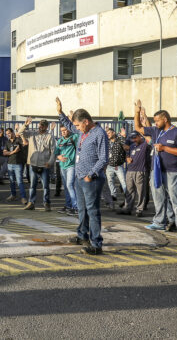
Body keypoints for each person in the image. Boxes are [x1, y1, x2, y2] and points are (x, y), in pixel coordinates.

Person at [55, 97, 109, 255]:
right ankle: (82, 235)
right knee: (82, 209)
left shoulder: (99, 133)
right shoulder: (82, 131)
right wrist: (60, 112)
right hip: (80, 176)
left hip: (91, 178)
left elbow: (104, 159)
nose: (76, 128)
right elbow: (69, 125)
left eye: (79, 125)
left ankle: (96, 243)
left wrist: (91, 174)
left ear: (86, 121)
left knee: (92, 210)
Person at [134, 101, 177, 240]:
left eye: (157, 120)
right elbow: (138, 127)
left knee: (176, 200)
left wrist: (165, 148)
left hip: (172, 171)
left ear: (165, 119)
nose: (155, 123)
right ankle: (159, 222)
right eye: (154, 121)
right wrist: (137, 112)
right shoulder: (156, 131)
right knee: (158, 198)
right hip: (157, 171)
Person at [17, 118, 55, 211]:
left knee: (45, 186)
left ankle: (46, 203)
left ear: (46, 127)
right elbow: (20, 133)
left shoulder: (50, 136)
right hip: (33, 164)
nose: (41, 127)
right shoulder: (32, 134)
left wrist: (50, 162)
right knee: (32, 186)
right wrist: (25, 125)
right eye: (40, 125)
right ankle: (31, 203)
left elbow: (53, 150)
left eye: (43, 125)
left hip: (44, 164)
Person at [121, 131, 149, 216]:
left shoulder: (145, 145)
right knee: (129, 190)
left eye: (135, 137)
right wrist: (127, 158)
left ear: (139, 136)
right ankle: (128, 208)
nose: (134, 140)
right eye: (132, 138)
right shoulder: (132, 146)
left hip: (140, 171)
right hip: (130, 170)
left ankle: (139, 209)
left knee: (141, 191)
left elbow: (149, 139)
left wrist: (143, 129)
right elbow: (127, 154)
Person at [54, 125, 79, 215]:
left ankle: (76, 207)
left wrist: (71, 122)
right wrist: (59, 156)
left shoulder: (74, 137)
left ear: (68, 130)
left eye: (65, 130)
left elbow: (78, 131)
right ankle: (68, 206)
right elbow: (56, 152)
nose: (63, 132)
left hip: (71, 166)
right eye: (62, 131)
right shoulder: (60, 140)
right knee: (66, 187)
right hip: (62, 166)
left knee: (70, 185)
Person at [105, 128, 128, 210]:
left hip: (118, 166)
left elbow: (126, 146)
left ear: (113, 133)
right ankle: (113, 196)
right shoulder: (107, 142)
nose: (108, 134)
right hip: (109, 166)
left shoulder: (119, 141)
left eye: (109, 132)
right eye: (106, 133)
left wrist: (124, 136)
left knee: (123, 183)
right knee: (110, 182)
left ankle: (127, 199)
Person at [3, 127, 27, 203]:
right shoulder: (7, 142)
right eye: (7, 134)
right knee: (11, 181)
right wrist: (13, 152)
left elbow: (25, 143)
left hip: (18, 164)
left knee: (19, 181)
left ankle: (23, 197)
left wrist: (21, 135)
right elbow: (4, 152)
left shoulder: (18, 140)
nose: (8, 135)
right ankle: (13, 195)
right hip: (10, 164)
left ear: (13, 133)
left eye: (9, 133)